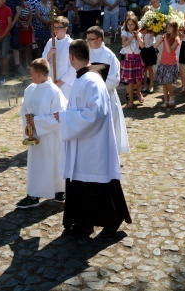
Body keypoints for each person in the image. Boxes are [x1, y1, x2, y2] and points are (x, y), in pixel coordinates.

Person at [55, 39, 131, 238]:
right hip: (83, 143)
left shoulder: (91, 80)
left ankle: (111, 219)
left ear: (71, 56)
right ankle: (84, 223)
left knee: (95, 186)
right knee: (81, 186)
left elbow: (94, 114)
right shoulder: (85, 78)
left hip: (92, 145)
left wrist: (64, 117)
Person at [16, 58, 67, 208]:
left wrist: (36, 121)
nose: (30, 76)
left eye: (31, 73)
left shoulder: (54, 92)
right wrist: (28, 124)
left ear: (39, 74)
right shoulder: (30, 89)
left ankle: (60, 190)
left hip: (50, 136)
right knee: (37, 166)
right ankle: (34, 194)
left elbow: (59, 116)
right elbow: (24, 108)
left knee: (55, 162)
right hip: (35, 135)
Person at [86, 26, 129, 155]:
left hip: (105, 96)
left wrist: (96, 87)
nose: (88, 42)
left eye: (91, 39)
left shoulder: (108, 55)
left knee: (107, 128)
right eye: (87, 39)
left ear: (99, 39)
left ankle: (109, 154)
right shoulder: (85, 53)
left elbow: (115, 80)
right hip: (88, 97)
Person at [41, 16, 76, 99]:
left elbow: (74, 66)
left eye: (59, 28)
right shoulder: (51, 42)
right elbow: (43, 61)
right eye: (54, 27)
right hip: (52, 79)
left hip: (65, 83)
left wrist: (61, 82)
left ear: (65, 29)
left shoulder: (71, 44)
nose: (56, 30)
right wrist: (49, 54)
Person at [154, 21, 180, 108]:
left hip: (171, 64)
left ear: (174, 29)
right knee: (163, 83)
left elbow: (169, 50)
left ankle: (171, 96)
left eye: (170, 28)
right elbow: (155, 46)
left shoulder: (176, 39)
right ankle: (165, 100)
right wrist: (161, 39)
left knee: (168, 82)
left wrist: (165, 40)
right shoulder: (165, 37)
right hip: (163, 63)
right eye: (167, 27)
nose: (167, 29)